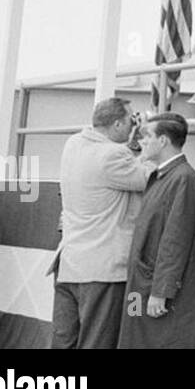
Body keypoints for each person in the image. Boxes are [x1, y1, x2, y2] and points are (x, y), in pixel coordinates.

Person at [52, 97, 152, 349]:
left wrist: (132, 146)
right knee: (97, 342)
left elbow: (119, 167)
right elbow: (147, 176)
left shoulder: (73, 143)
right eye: (131, 120)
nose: (133, 124)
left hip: (70, 263)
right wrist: (148, 139)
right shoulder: (114, 155)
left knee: (64, 341)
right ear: (118, 123)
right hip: (102, 269)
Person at [118, 114, 195, 349]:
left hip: (154, 289)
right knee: (132, 337)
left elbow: (176, 239)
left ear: (164, 141)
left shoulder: (183, 178)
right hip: (139, 285)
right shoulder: (160, 176)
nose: (141, 142)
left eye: (147, 136)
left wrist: (161, 291)